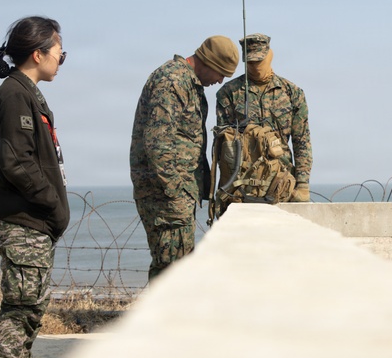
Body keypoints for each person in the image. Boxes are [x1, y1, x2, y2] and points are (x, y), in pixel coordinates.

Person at [0, 16, 70, 358]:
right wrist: (52, 203)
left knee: (32, 305)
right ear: (38, 53)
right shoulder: (15, 95)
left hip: (33, 221)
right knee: (19, 307)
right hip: (23, 219)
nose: (61, 60)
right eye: (60, 53)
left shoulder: (27, 93)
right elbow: (16, 162)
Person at [130, 35, 239, 281]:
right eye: (221, 73)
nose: (220, 80)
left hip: (176, 197)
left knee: (173, 268)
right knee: (173, 271)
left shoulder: (188, 84)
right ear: (208, 62)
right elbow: (158, 140)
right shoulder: (173, 81)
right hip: (166, 198)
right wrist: (175, 192)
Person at [215, 33, 312, 201]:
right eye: (250, 62)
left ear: (269, 56)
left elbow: (301, 140)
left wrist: (302, 183)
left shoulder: (292, 93)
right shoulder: (229, 93)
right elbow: (225, 144)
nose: (255, 67)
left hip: (281, 182)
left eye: (259, 61)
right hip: (243, 185)